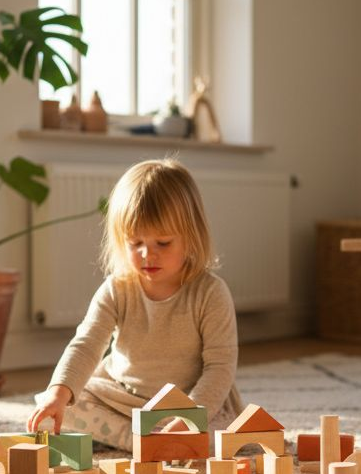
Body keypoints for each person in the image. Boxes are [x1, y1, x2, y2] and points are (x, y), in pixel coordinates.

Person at [27, 158, 242, 452]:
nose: (146, 254)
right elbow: (86, 344)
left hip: (189, 401)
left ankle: (156, 439)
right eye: (135, 242)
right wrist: (59, 392)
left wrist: (191, 415)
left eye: (162, 243)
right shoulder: (117, 288)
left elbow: (220, 368)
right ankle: (140, 440)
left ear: (191, 239)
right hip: (122, 398)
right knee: (55, 408)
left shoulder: (211, 293)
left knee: (226, 435)